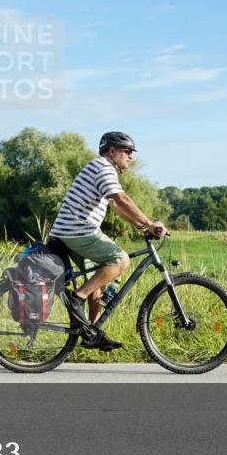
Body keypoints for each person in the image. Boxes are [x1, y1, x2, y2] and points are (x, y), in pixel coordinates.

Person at [49, 131, 167, 351]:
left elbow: (114, 206)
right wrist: (150, 224)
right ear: (112, 151)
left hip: (70, 232)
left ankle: (91, 332)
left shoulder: (100, 168)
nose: (131, 156)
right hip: (77, 231)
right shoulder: (103, 167)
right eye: (127, 151)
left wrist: (141, 226)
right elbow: (121, 199)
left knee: (99, 280)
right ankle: (77, 298)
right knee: (120, 260)